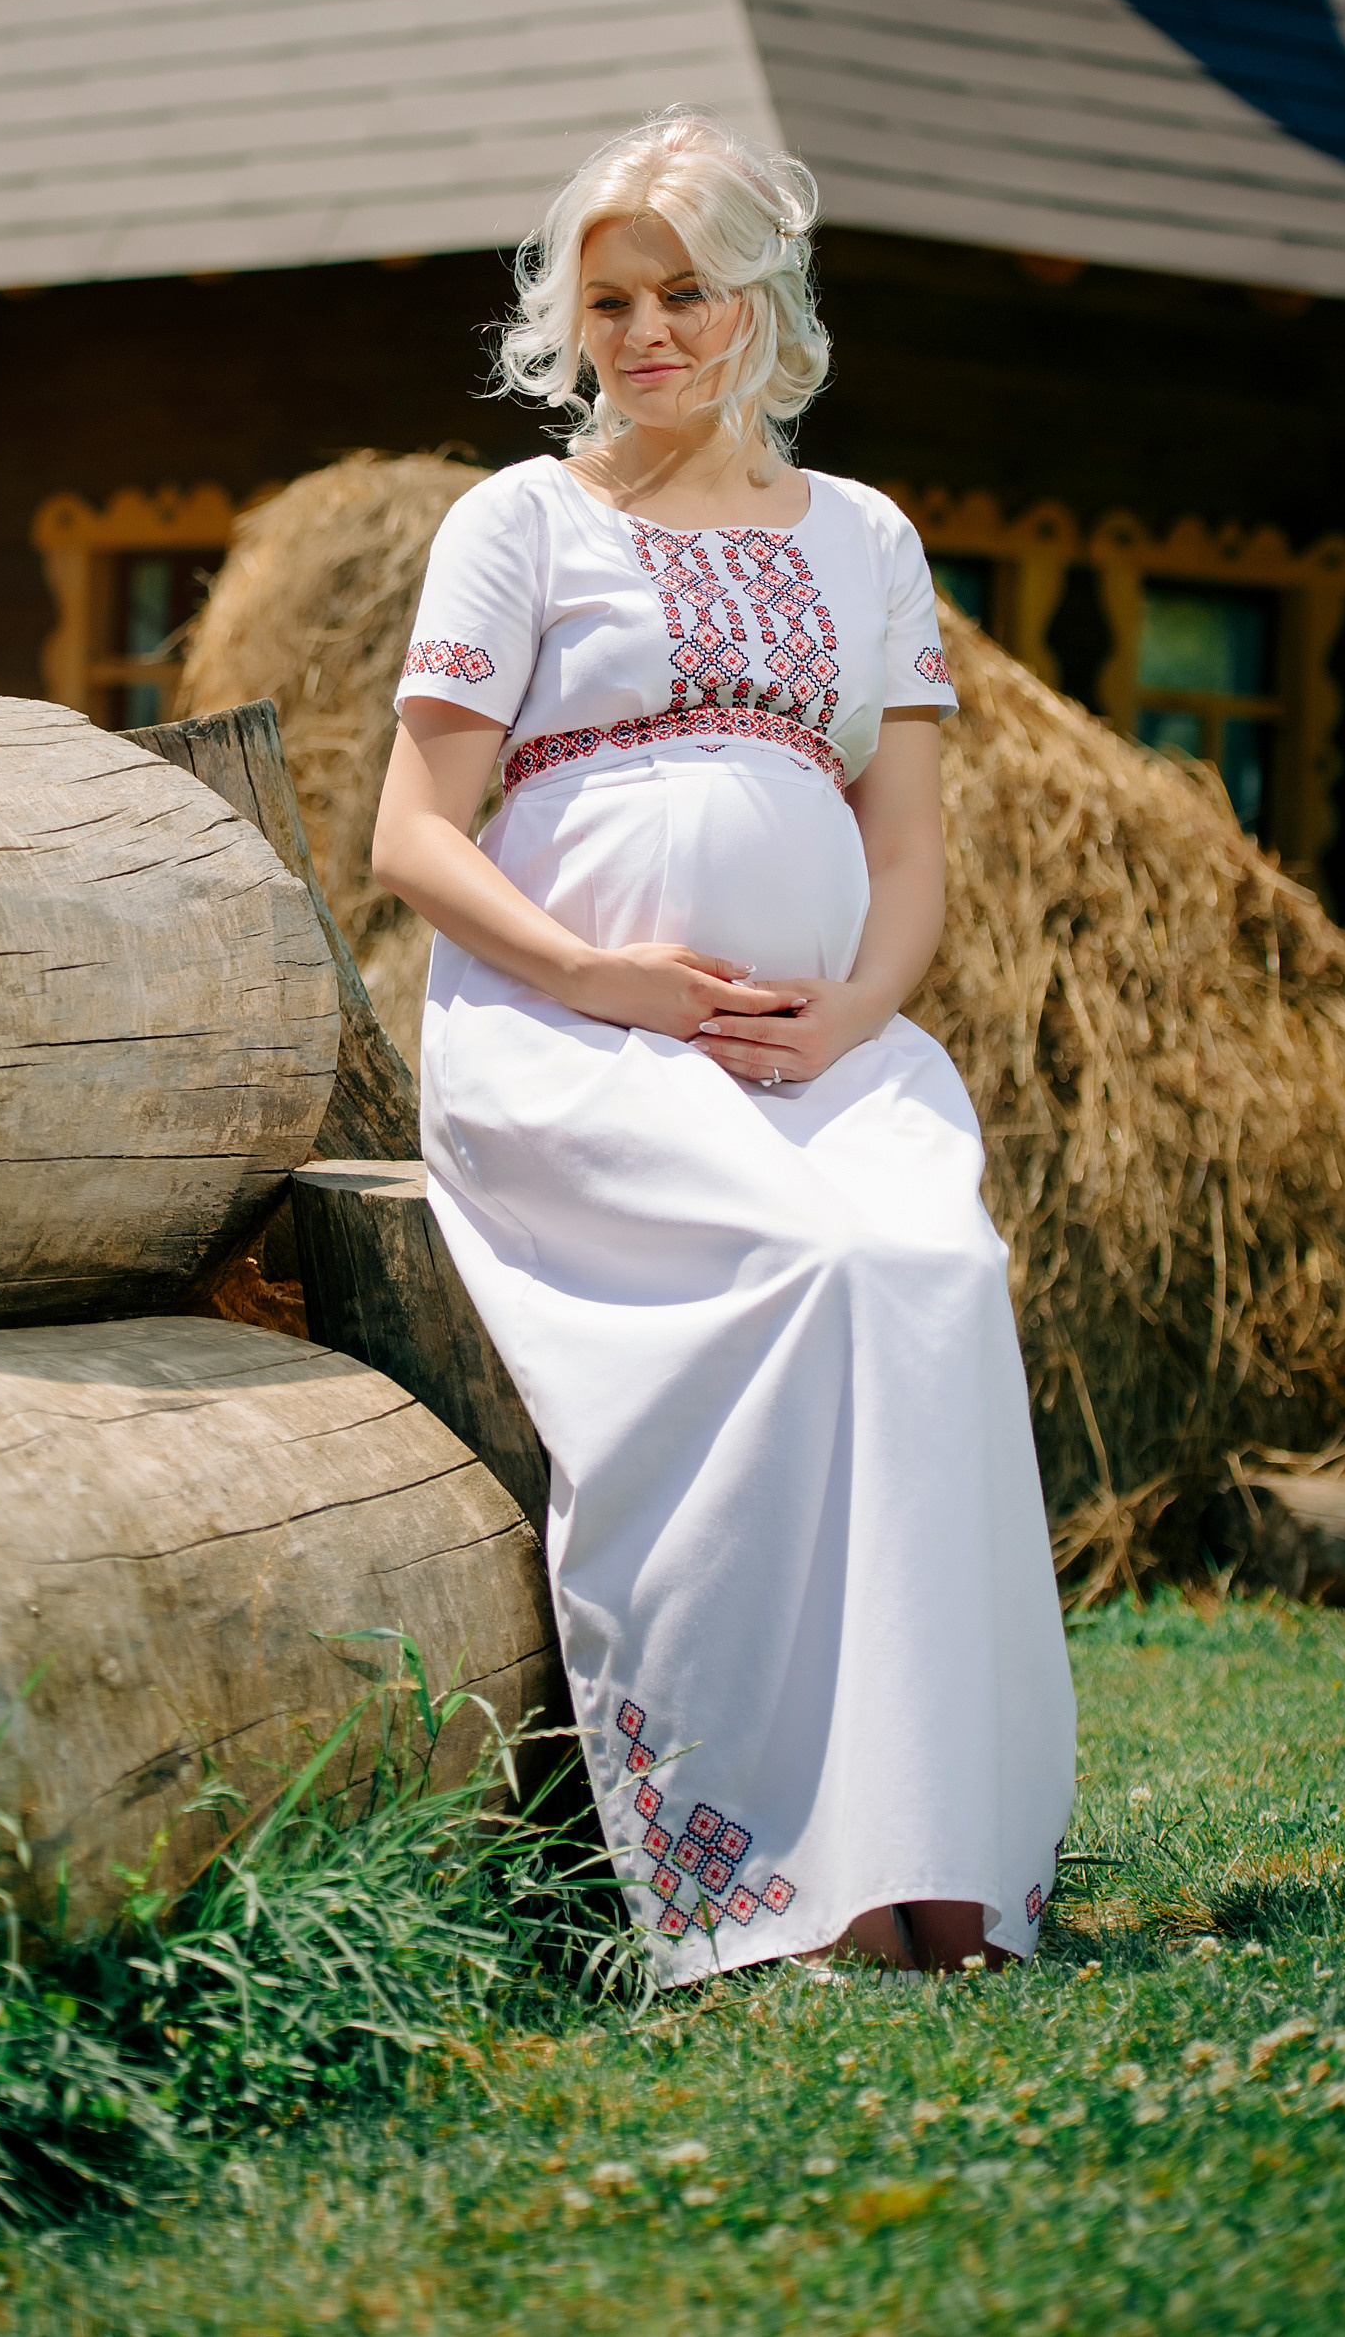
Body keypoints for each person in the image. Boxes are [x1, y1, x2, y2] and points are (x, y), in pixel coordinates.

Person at [371, 110, 1075, 1981]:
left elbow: (909, 850)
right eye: (610, 298)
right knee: (810, 1267)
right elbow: (413, 837)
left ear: (765, 301)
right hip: (565, 1043)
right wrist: (599, 979)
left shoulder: (865, 538)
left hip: (821, 1057)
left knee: (924, 1268)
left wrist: (852, 1011)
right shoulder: (517, 521)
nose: (648, 330)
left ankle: (942, 1863)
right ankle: (762, 1868)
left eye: (687, 291)